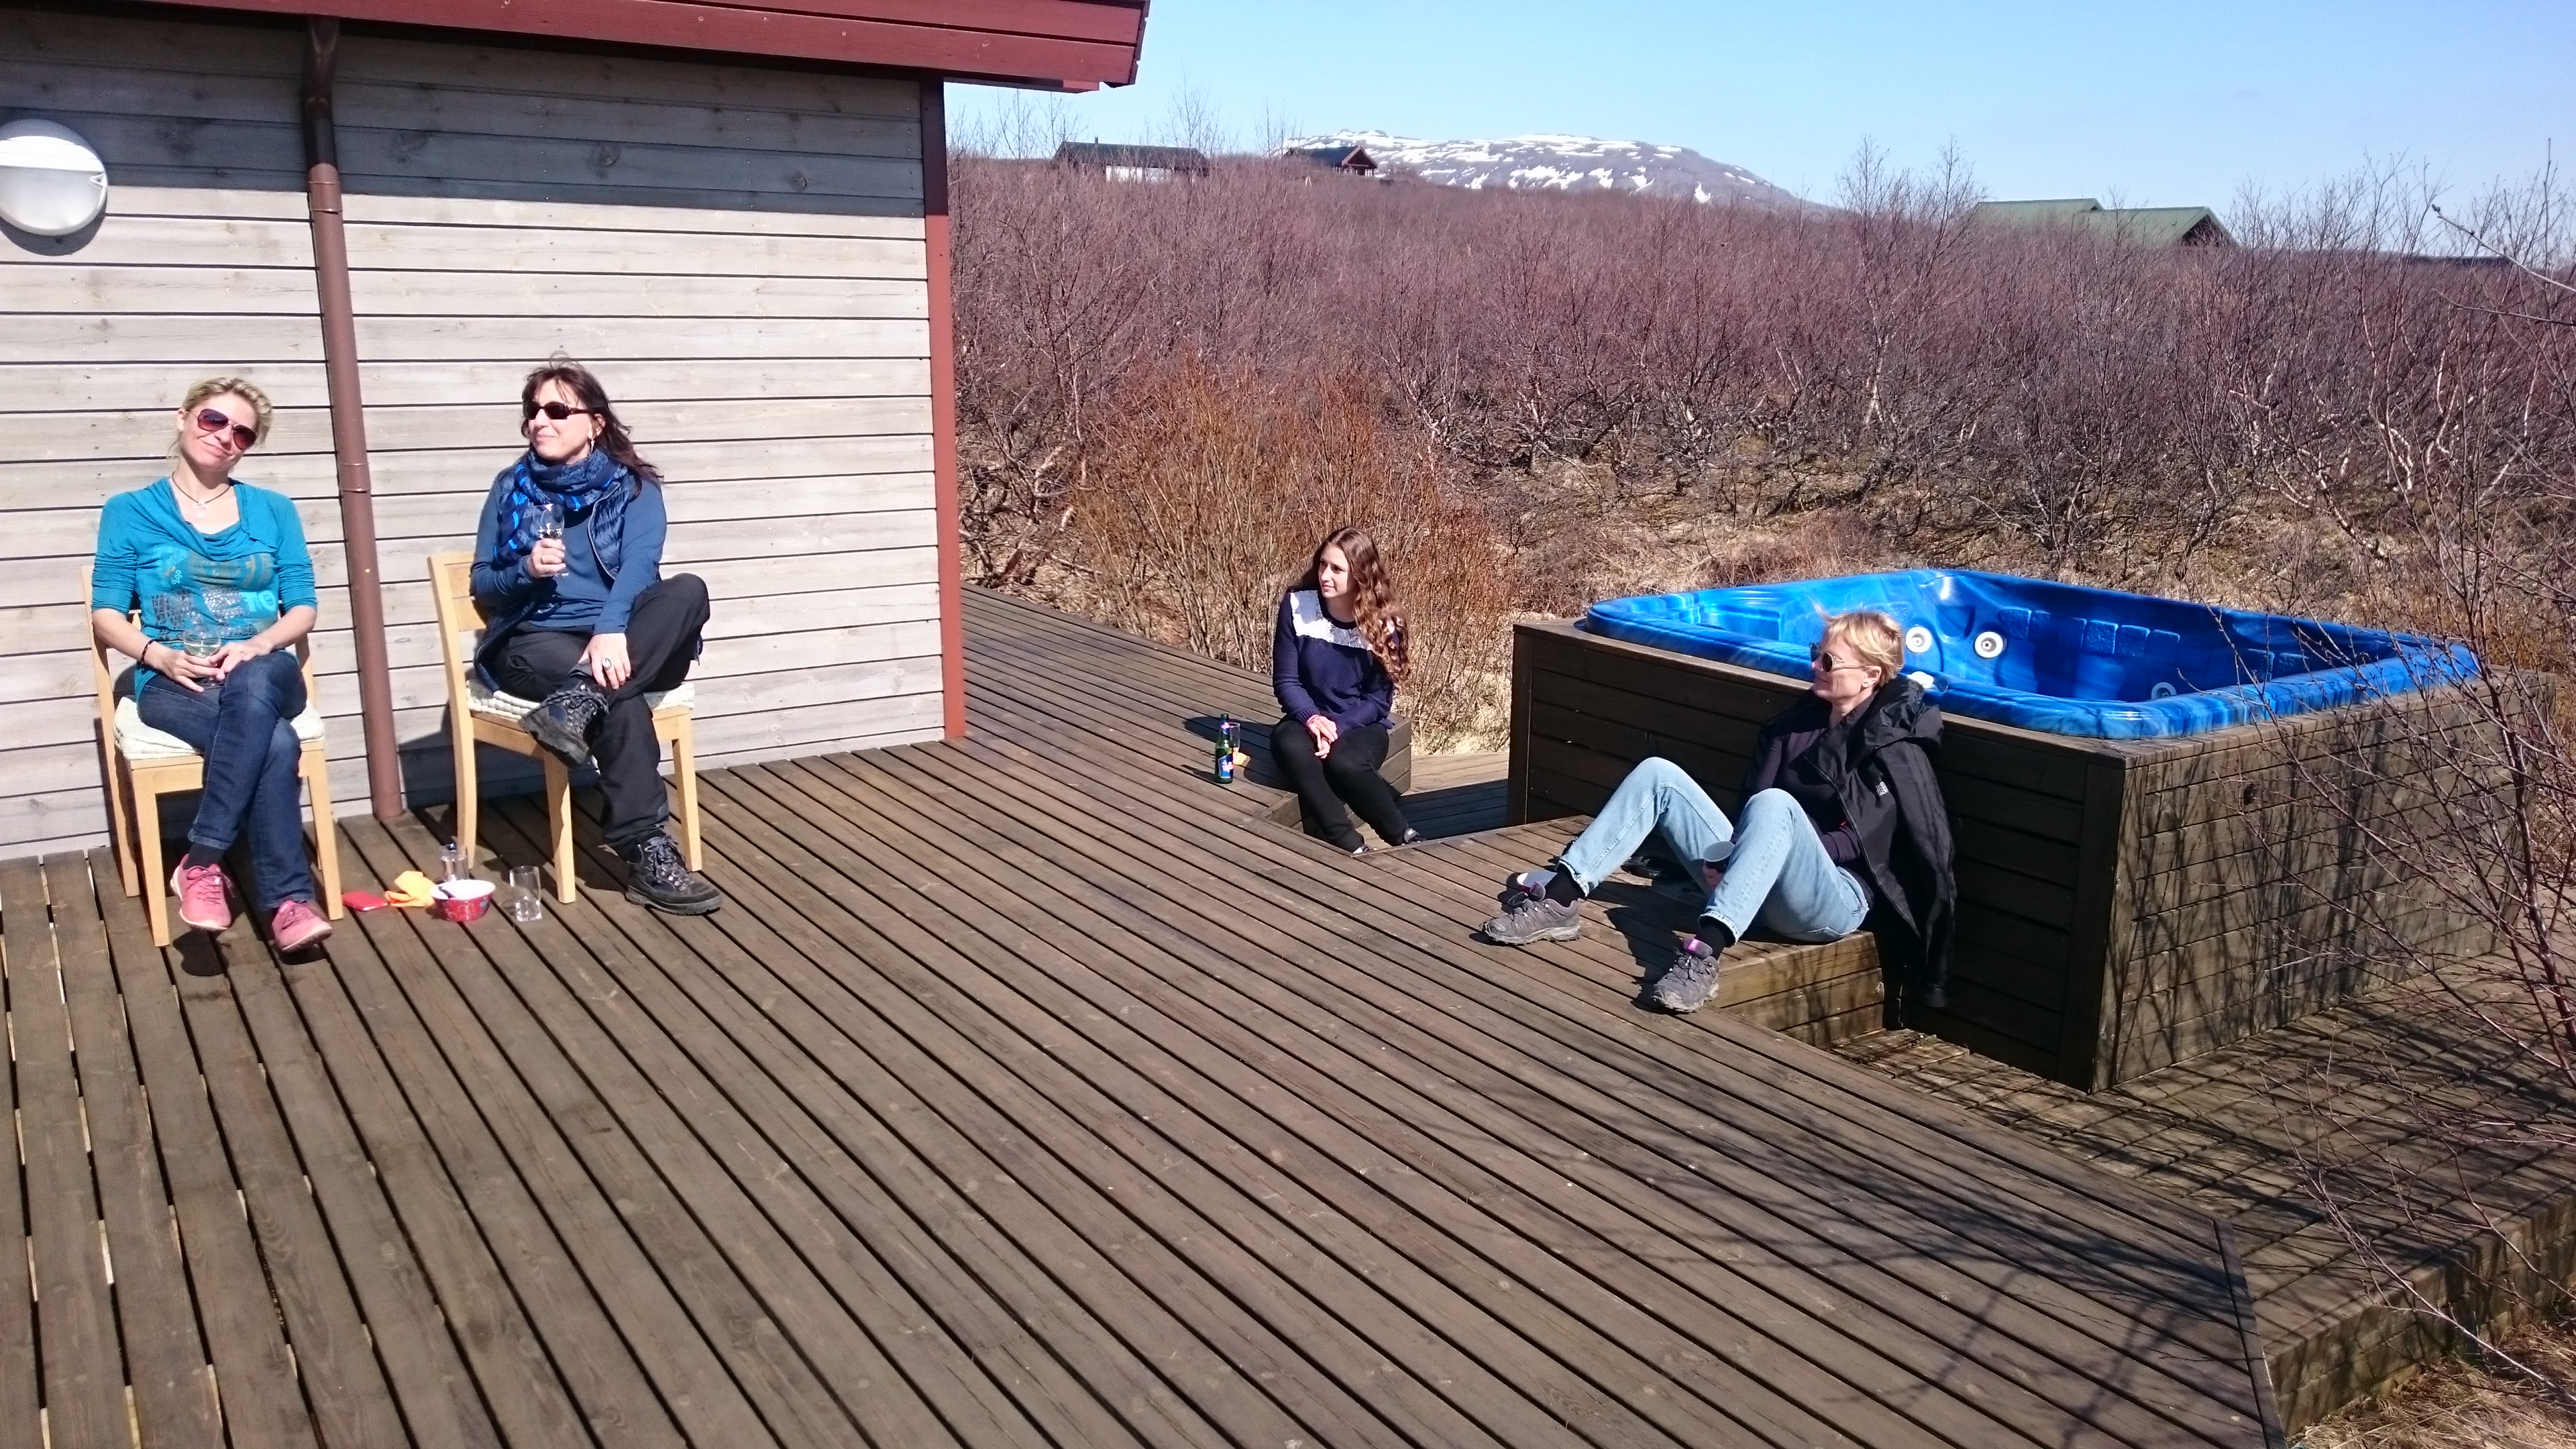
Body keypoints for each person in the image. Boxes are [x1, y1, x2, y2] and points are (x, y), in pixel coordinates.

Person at [1481, 609, 1955, 1016]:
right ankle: (1561, 898)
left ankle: (1702, 954)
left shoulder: (1891, 744)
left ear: (1871, 675)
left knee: (1777, 806)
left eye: (1829, 660)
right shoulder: (1793, 728)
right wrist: (1730, 856)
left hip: (1833, 897)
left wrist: (1769, 850)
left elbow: (1859, 843)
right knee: (1658, 774)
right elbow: (1751, 810)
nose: (1815, 665)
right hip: (1756, 880)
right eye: (1817, 651)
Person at [468, 358, 720, 915]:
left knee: (687, 589)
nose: (540, 420)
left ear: (595, 423)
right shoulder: (511, 487)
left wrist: (609, 630)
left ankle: (580, 696)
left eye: (557, 409)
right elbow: (484, 584)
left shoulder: (634, 487)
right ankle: (647, 848)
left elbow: (639, 565)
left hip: (627, 633)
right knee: (619, 695)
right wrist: (525, 570)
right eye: (532, 411)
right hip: (538, 637)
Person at [91, 378, 333, 951]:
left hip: (267, 670)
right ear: (184, 418)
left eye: (242, 433)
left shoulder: (273, 510)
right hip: (175, 679)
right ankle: (290, 902)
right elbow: (106, 613)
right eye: (213, 420)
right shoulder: (129, 512)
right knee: (273, 744)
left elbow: (303, 606)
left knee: (254, 685)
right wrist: (158, 655)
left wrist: (259, 644)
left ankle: (200, 859)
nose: (226, 437)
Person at [1271, 527, 1419, 854]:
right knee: (1289, 744)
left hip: (1359, 724)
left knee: (1345, 763)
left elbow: (1377, 701)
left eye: (1337, 569)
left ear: (1360, 576)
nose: (1325, 575)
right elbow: (1286, 681)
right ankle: (1348, 841)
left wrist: (1338, 728)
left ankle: (1402, 835)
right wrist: (1312, 720)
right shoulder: (1298, 606)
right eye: (1323, 565)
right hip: (1306, 721)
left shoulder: (1384, 624)